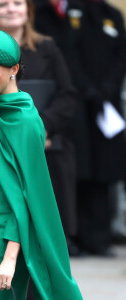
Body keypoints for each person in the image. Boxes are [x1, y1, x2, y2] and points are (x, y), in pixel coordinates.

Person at [0, 28, 82, 299]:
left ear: (13, 69)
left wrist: (10, 257)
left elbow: (29, 196)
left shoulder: (23, 119)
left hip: (3, 239)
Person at [0, 0, 78, 253]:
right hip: (2, 145)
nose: (12, 8)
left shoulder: (47, 46)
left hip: (46, 144)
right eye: (3, 4)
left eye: (18, 3)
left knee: (46, 234)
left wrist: (42, 128)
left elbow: (67, 95)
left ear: (29, 10)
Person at [69, 0, 126, 256]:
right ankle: (78, 236)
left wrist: (108, 89)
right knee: (81, 169)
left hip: (108, 106)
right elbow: (70, 53)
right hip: (80, 103)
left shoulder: (112, 14)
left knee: (105, 171)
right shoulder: (73, 13)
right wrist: (88, 89)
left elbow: (121, 54)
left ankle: (101, 237)